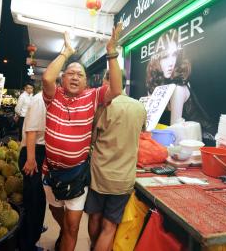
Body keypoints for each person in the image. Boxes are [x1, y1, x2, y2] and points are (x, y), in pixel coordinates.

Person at [41, 24, 123, 251]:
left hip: (76, 176)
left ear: (87, 81)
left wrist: (111, 52)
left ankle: (66, 236)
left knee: (73, 227)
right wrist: (66, 52)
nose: (75, 77)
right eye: (70, 73)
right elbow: (48, 78)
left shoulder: (92, 96)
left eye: (80, 74)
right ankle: (63, 233)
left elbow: (116, 89)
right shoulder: (53, 95)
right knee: (57, 214)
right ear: (63, 78)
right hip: (50, 173)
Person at [85, 70, 146, 251]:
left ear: (106, 81)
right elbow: (141, 134)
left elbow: (91, 140)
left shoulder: (103, 106)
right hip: (124, 177)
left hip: (100, 174)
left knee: (94, 217)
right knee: (109, 226)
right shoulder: (139, 107)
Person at [145, 31, 216, 141]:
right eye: (165, 56)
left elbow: (175, 132)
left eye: (174, 55)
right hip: (185, 141)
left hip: (203, 140)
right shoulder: (158, 85)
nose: (171, 62)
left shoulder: (178, 88)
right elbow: (149, 122)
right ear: (157, 58)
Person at [18, 91, 48, 251]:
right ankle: (28, 244)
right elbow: (31, 131)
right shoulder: (39, 100)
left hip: (38, 152)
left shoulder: (46, 99)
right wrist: (31, 159)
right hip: (34, 153)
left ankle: (33, 231)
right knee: (34, 201)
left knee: (37, 199)